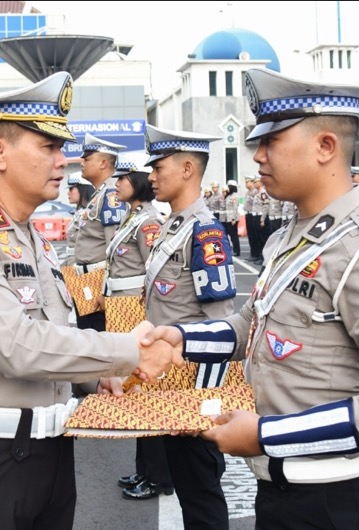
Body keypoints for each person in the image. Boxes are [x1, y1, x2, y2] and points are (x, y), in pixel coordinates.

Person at [142, 68, 359, 529]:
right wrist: (179, 339)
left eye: (272, 142)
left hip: (340, 502)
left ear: (326, 146)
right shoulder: (295, 235)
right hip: (287, 493)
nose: (258, 155)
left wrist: (265, 435)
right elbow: (252, 323)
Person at [0, 72, 180, 530]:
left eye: (63, 148)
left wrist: (94, 380)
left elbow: (58, 335)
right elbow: (20, 347)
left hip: (50, 456)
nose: (64, 161)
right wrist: (126, 352)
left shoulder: (32, 240)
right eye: (48, 148)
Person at [137, 124, 238, 528]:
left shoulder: (205, 231)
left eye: (159, 166)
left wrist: (203, 408)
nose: (152, 176)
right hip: (170, 382)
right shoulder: (173, 225)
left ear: (187, 169)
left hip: (193, 389)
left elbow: (218, 324)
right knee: (185, 487)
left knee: (201, 494)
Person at [97, 162, 172, 500]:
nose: (117, 184)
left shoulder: (149, 222)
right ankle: (145, 470)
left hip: (134, 311)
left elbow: (152, 274)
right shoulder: (133, 216)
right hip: (120, 308)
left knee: (145, 392)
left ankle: (157, 477)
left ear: (137, 182)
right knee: (134, 394)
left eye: (123, 179)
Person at [73, 132, 129, 331]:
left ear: (103, 163)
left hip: (98, 280)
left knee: (99, 341)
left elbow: (115, 249)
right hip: (85, 279)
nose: (81, 162)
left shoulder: (111, 194)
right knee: (87, 338)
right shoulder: (99, 194)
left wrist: (106, 290)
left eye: (87, 159)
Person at [62, 171, 95, 266]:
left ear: (83, 189)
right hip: (73, 264)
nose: (68, 193)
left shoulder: (91, 213)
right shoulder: (79, 212)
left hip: (84, 267)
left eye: (71, 189)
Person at [223, 179, 241, 256]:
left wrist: (233, 219)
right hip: (227, 218)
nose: (228, 188)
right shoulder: (228, 196)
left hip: (232, 219)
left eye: (229, 187)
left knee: (234, 236)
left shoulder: (235, 196)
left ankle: (237, 250)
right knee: (227, 235)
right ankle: (230, 249)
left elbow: (235, 208)